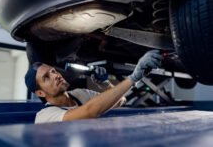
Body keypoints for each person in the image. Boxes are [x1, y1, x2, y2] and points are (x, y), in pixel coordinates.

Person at [25, 50, 163, 123]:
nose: (55, 75)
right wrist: (133, 78)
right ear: (40, 93)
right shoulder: (44, 116)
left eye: (53, 71)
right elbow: (89, 111)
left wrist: (105, 84)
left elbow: (120, 101)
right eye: (46, 77)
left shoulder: (80, 94)